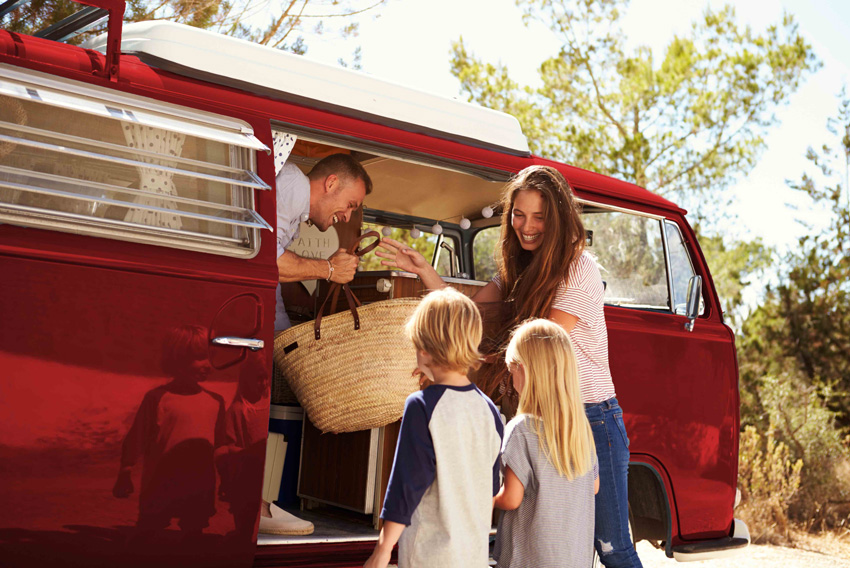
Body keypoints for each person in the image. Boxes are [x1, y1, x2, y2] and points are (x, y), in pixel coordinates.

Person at [377, 165, 642, 567]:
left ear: (558, 218)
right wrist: (426, 272)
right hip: (542, 416)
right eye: (519, 214)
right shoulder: (518, 269)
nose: (527, 226)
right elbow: (469, 315)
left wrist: (456, 363)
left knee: (612, 547)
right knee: (538, 538)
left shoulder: (579, 268)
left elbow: (540, 347)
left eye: (539, 217)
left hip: (589, 417)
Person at [262, 152, 373, 535]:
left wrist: (295, 325)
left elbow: (277, 278)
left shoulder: (294, 206)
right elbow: (265, 259)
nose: (348, 215)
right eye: (350, 204)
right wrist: (328, 269)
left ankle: (259, 502)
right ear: (330, 184)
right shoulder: (291, 187)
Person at [363, 288, 503, 568]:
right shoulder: (489, 410)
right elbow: (490, 489)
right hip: (472, 557)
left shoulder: (422, 406)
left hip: (430, 556)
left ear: (424, 349)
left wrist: (382, 550)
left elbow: (406, 486)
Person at [493, 318, 598, 568]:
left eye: (511, 371)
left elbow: (512, 499)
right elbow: (593, 486)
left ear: (524, 371)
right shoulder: (580, 429)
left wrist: (484, 499)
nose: (511, 381)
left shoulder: (522, 429)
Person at [113, 325, 226, 542]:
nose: (207, 364)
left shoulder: (215, 402)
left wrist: (227, 478)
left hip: (199, 484)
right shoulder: (157, 398)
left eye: (210, 357)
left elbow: (220, 445)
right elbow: (137, 436)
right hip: (160, 482)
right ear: (177, 359)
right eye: (199, 357)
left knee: (193, 534)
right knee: (148, 535)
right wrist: (125, 471)